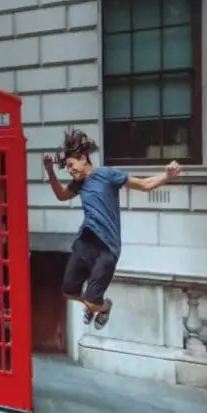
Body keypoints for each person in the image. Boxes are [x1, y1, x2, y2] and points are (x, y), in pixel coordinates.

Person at [44, 128, 180, 330]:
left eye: (71, 166)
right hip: (86, 240)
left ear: (83, 159)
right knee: (68, 291)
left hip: (107, 246)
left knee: (92, 303)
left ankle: (103, 306)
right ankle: (93, 302)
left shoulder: (107, 174)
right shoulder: (78, 184)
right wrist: (50, 171)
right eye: (68, 168)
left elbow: (143, 184)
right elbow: (61, 195)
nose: (70, 171)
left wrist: (166, 176)